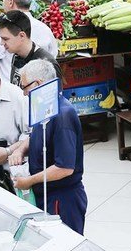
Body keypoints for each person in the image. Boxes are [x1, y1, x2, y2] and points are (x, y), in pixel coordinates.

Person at [11, 60, 87, 234]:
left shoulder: (62, 116)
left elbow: (64, 168)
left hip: (63, 198)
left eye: (24, 87)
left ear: (38, 84)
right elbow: (37, 136)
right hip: (45, 194)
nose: (23, 94)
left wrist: (29, 181)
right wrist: (21, 149)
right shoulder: (44, 107)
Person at [0, 0, 58, 83]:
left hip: (11, 94)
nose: (3, 42)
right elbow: (53, 56)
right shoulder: (45, 29)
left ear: (10, 2)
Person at [0, 10, 61, 86]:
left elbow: (53, 96)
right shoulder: (16, 54)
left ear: (22, 36)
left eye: (5, 39)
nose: (1, 43)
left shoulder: (48, 65)